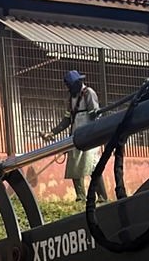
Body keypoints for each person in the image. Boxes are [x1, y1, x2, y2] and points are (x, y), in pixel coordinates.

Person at [42, 70, 108, 203]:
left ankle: (102, 197)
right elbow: (67, 120)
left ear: (77, 83)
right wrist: (53, 132)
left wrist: (97, 134)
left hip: (90, 136)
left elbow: (95, 115)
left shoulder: (89, 93)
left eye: (70, 85)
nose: (68, 88)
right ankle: (80, 197)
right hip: (76, 136)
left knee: (92, 166)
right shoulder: (71, 99)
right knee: (74, 166)